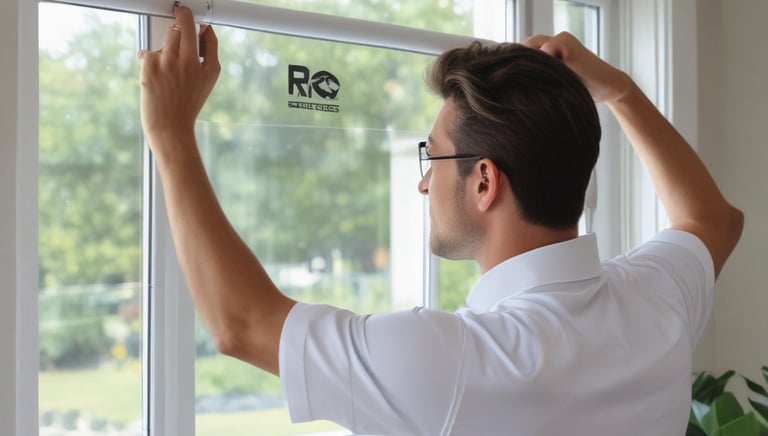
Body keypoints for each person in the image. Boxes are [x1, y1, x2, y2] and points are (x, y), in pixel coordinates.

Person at [137, 6, 743, 435]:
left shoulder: (461, 362)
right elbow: (713, 218)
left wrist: (169, 134)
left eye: (433, 156)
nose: (423, 181)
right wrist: (621, 93)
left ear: (485, 181)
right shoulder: (653, 301)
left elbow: (240, 324)